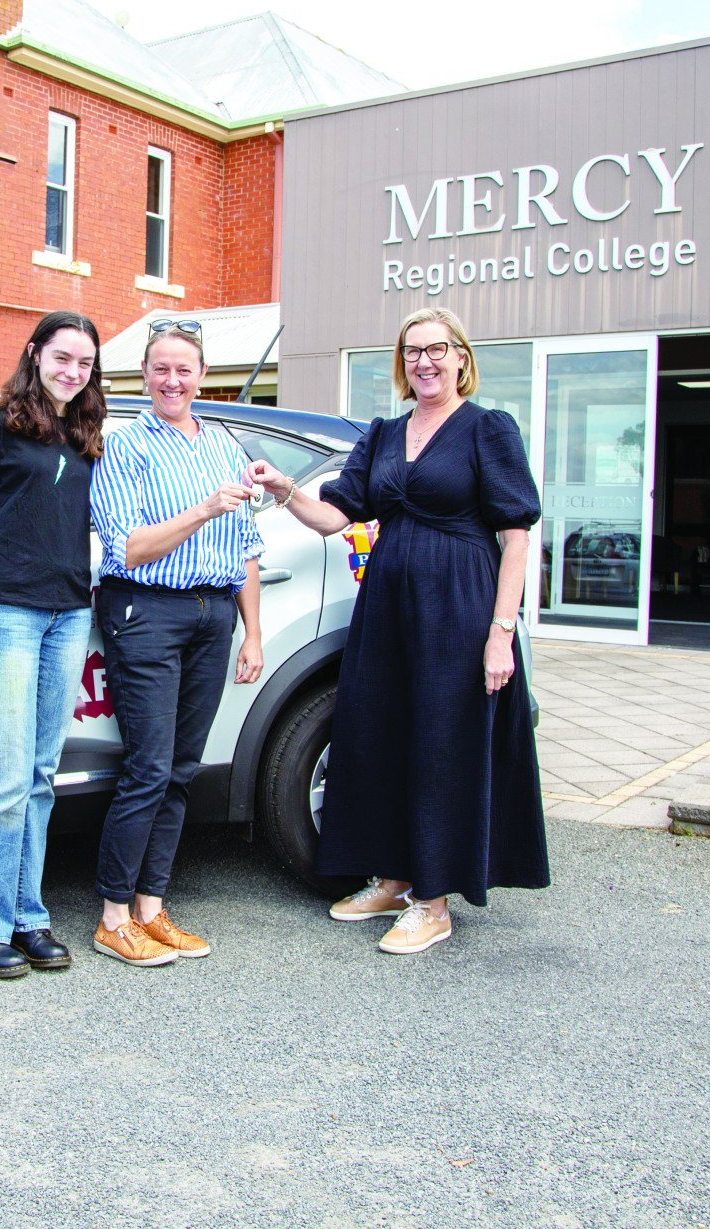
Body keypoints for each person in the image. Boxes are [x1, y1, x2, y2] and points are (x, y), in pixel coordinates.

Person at [248, 306, 546, 955]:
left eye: (437, 349)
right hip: (388, 603)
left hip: (461, 604)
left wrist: (501, 631)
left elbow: (517, 537)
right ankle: (394, 876)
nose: (425, 362)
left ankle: (433, 902)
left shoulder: (486, 430)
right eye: (413, 352)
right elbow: (333, 517)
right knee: (380, 736)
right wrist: (282, 489)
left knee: (440, 744)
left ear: (461, 357)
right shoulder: (384, 433)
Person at [88, 318, 265, 967]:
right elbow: (127, 547)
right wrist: (204, 509)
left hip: (212, 613)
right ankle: (112, 916)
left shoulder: (222, 443)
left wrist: (253, 630)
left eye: (183, 368)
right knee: (148, 766)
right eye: (161, 368)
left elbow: (245, 545)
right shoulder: (124, 447)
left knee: (181, 770)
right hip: (147, 611)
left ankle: (151, 908)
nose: (172, 379)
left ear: (201, 374)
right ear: (145, 374)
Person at [0, 311, 106, 980]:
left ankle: (26, 914)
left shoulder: (86, 434)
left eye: (85, 363)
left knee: (40, 774)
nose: (73, 370)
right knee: (7, 774)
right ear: (35, 351)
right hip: (7, 613)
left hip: (69, 614)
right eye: (62, 356)